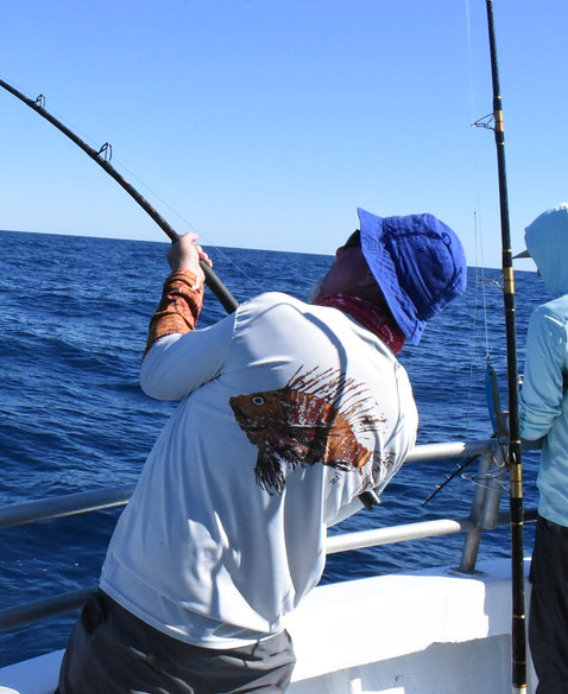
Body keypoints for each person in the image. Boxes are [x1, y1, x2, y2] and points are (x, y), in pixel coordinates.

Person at [56, 208, 467, 694]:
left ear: (374, 275)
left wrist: (185, 277)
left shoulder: (275, 315)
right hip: (258, 657)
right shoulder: (404, 411)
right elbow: (331, 508)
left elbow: (158, 376)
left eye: (357, 242)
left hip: (143, 634)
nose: (339, 250)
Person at [517, 203, 568, 693]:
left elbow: (534, 422)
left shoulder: (553, 319)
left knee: (558, 658)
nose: (535, 269)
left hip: (566, 525)